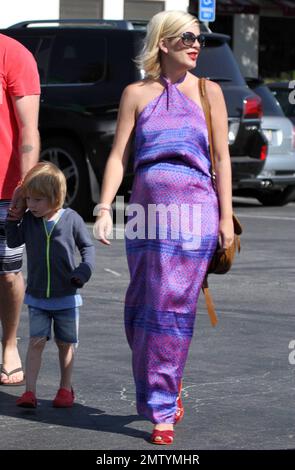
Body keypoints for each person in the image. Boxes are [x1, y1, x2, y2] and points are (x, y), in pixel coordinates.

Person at [94, 10, 234, 445]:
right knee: (141, 308)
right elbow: (118, 156)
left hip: (194, 213)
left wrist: (226, 218)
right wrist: (103, 208)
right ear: (163, 43)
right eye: (188, 38)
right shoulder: (136, 93)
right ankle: (160, 389)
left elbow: (222, 160)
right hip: (144, 213)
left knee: (171, 310)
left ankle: (162, 407)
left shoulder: (210, 92)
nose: (197, 45)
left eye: (200, 39)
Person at [5, 162, 95, 408]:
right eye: (29, 199)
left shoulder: (72, 219)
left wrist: (84, 271)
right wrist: (14, 213)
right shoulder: (29, 220)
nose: (31, 205)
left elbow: (87, 248)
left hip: (66, 297)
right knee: (36, 342)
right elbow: (12, 242)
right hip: (37, 298)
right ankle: (29, 392)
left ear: (55, 198)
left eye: (37, 200)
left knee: (66, 345)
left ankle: (65, 389)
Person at [0, 33, 40, 385]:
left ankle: (9, 344)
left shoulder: (13, 54)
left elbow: (28, 128)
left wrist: (25, 188)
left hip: (4, 188)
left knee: (8, 272)